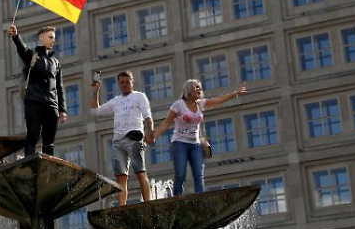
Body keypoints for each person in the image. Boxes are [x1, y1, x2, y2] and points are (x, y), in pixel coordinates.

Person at [153, 80, 247, 195]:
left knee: (198, 174)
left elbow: (218, 100)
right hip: (179, 143)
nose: (199, 90)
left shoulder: (200, 104)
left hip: (195, 144)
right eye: (196, 87)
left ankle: (200, 199)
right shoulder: (178, 105)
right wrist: (153, 136)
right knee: (181, 174)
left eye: (200, 88)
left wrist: (235, 93)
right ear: (189, 90)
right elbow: (166, 123)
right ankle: (177, 199)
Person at [91, 70, 155, 206]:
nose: (125, 85)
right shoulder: (115, 101)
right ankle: (122, 206)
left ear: (132, 82)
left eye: (127, 82)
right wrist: (95, 92)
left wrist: (150, 132)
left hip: (134, 137)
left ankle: (147, 203)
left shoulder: (139, 96)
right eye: (122, 82)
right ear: (118, 84)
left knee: (140, 171)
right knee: (120, 176)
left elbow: (147, 116)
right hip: (118, 141)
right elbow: (95, 111)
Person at [8, 24, 67, 156]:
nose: (53, 40)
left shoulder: (56, 62)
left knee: (49, 142)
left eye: (54, 38)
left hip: (52, 106)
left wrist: (62, 110)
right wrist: (16, 36)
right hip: (34, 103)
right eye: (50, 37)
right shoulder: (32, 56)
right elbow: (22, 49)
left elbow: (59, 87)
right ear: (41, 37)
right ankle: (29, 164)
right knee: (32, 136)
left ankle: (48, 168)